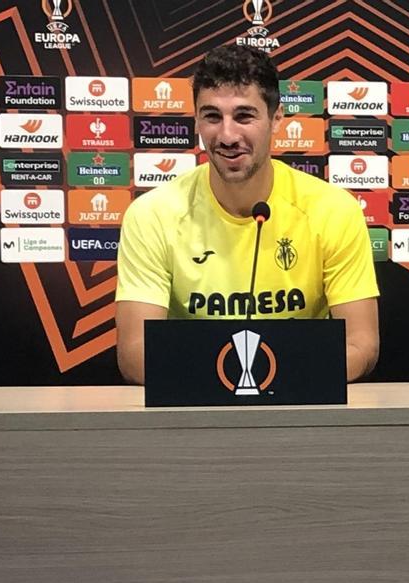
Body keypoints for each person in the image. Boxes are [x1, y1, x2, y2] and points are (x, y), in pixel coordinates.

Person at [115, 45, 379, 384]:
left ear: (277, 118)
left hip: (300, 413)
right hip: (192, 417)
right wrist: (229, 385)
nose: (227, 136)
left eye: (244, 116)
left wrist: (270, 382)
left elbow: (361, 344)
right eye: (212, 116)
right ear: (196, 119)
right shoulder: (152, 215)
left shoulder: (333, 209)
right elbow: (136, 353)